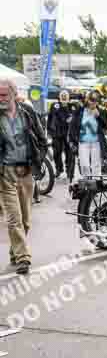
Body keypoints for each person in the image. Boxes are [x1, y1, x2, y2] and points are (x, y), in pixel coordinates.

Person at [0, 79, 47, 275]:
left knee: (26, 220)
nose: (1, 98)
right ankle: (23, 258)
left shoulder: (27, 113)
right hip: (5, 172)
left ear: (13, 93)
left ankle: (15, 250)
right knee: (14, 218)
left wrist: (39, 160)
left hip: (26, 170)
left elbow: (42, 139)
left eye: (3, 95)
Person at [69, 91, 107, 179]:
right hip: (83, 142)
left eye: (95, 100)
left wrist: (98, 116)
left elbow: (105, 126)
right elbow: (73, 126)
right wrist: (71, 140)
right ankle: (87, 185)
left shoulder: (101, 110)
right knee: (84, 165)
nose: (93, 103)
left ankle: (96, 185)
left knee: (96, 166)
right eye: (91, 100)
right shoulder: (80, 110)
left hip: (96, 143)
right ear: (87, 100)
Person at [47, 91, 77, 180]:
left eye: (65, 96)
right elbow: (50, 118)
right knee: (56, 152)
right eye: (62, 96)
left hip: (68, 133)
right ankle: (59, 169)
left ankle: (69, 171)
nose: (64, 97)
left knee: (70, 154)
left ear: (68, 97)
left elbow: (76, 118)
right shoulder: (55, 105)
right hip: (57, 133)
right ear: (59, 97)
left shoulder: (72, 106)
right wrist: (49, 131)